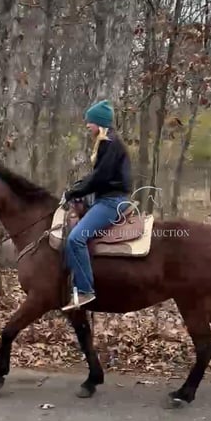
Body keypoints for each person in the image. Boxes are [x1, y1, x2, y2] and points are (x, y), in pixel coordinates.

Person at [61, 100, 132, 311]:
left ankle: (84, 291)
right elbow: (95, 176)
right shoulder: (107, 142)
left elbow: (100, 177)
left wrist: (73, 192)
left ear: (100, 123)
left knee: (76, 238)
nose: (87, 126)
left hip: (112, 202)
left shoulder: (110, 143)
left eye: (90, 122)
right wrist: (77, 189)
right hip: (105, 198)